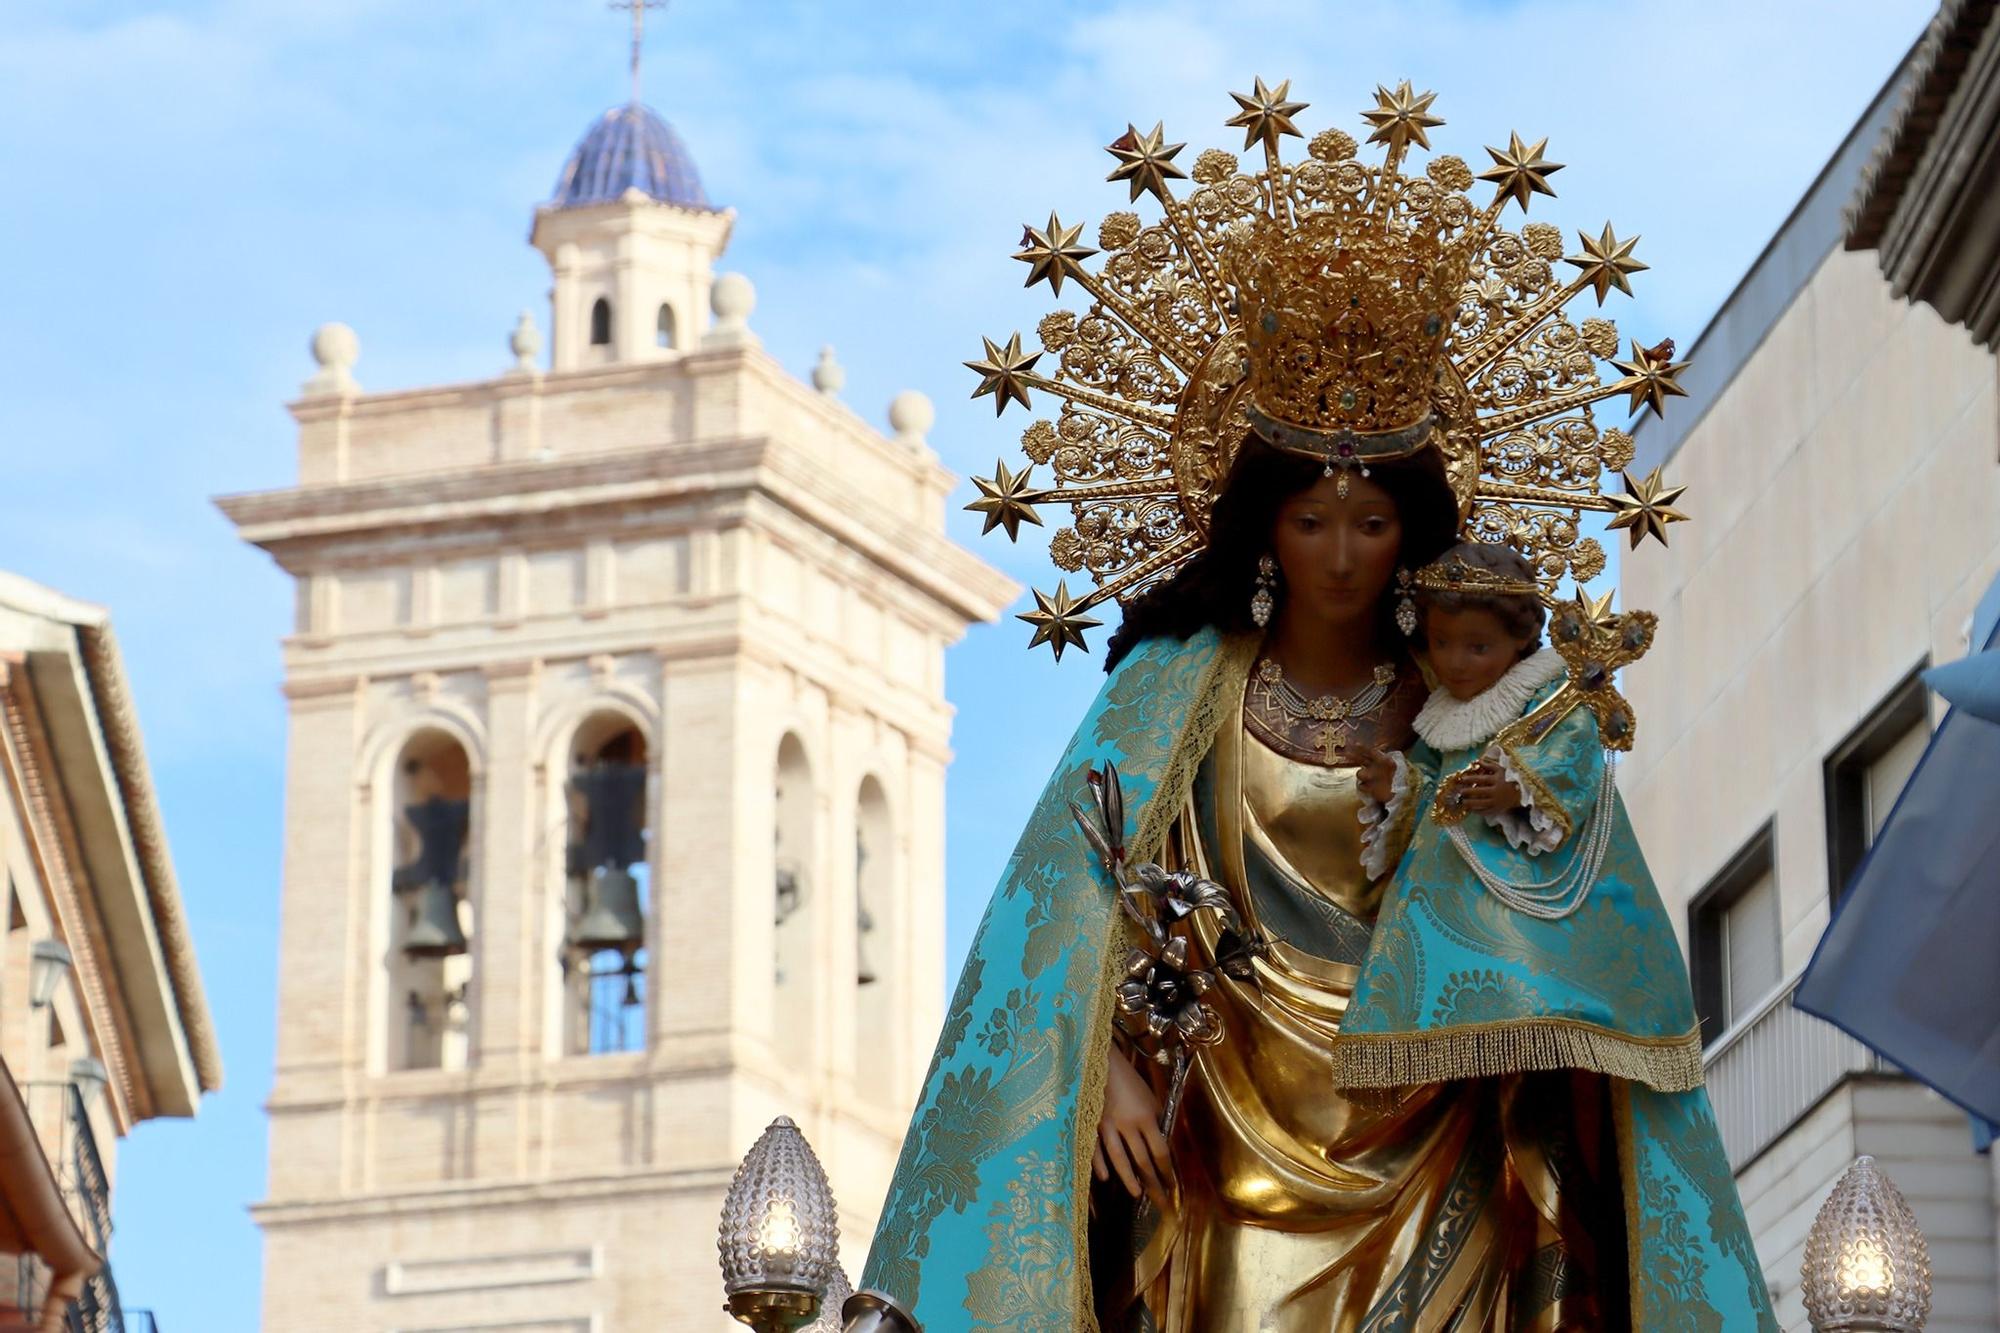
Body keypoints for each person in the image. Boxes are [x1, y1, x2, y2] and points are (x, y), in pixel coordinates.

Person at [841, 78, 1774, 1333]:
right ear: (1263, 523)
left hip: (1440, 1133)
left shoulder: (1474, 702)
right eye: (1313, 517)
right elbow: (1063, 933)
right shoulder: (1171, 694)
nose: (1342, 553)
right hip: (1223, 1150)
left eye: (1373, 520)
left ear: (1415, 529)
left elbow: (1566, 909)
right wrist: (1102, 1066)